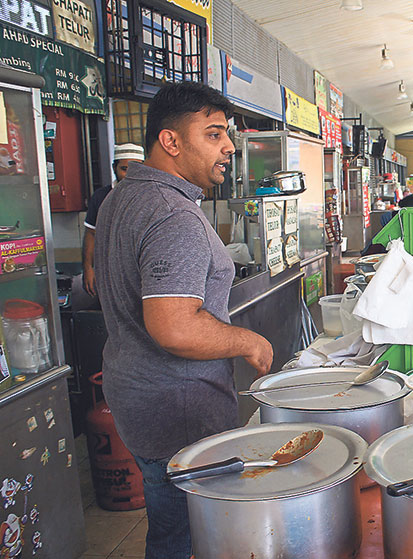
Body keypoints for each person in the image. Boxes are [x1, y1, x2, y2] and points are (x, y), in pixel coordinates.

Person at [94, 82, 274, 559]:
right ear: (170, 142)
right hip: (178, 410)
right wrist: (247, 341)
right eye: (214, 134)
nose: (229, 147)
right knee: (188, 536)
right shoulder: (172, 214)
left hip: (138, 396)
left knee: (169, 522)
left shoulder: (123, 195)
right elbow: (175, 326)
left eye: (228, 135)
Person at [82, 143, 145, 297]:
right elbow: (91, 234)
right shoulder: (101, 197)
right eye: (124, 169)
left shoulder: (151, 197)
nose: (130, 175)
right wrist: (88, 268)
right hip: (109, 273)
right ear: (114, 168)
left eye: (135, 169)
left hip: (142, 272)